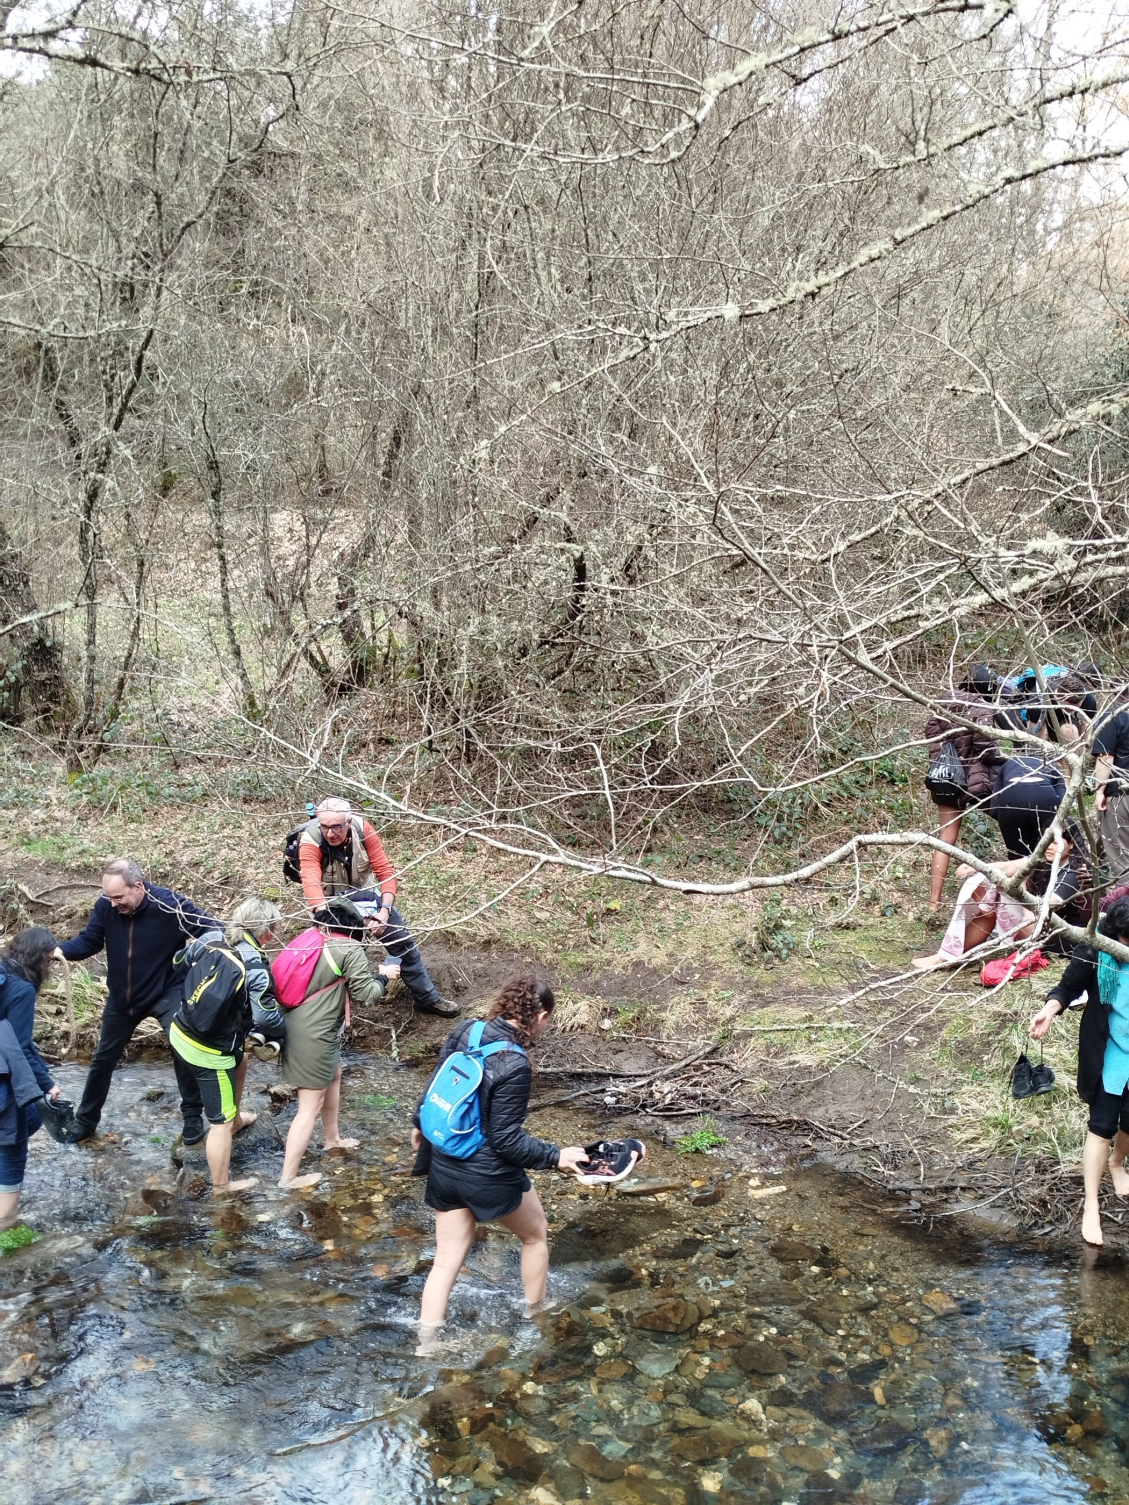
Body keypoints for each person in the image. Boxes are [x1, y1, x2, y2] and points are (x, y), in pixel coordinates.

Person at [410, 975, 588, 1354]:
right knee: (535, 1234)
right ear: (539, 1015)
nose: (546, 1028)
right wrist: (557, 1157)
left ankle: (426, 1342)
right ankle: (534, 1314)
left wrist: (418, 1126)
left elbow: (435, 1086)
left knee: (445, 1261)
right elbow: (506, 1141)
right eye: (548, 1021)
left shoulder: (466, 1030)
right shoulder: (514, 1063)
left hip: (444, 1163)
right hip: (485, 1172)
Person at [53, 857, 219, 1144]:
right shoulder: (106, 906)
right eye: (109, 897)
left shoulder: (170, 905)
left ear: (138, 886)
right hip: (122, 998)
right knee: (102, 1060)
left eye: (118, 897)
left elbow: (212, 930)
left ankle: (192, 1116)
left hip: (166, 992)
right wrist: (58, 950)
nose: (113, 903)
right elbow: (89, 941)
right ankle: (85, 1122)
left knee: (183, 1050)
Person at [295, 797, 458, 1017]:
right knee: (335, 957)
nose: (330, 833)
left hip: (366, 896)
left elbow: (385, 871)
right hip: (330, 905)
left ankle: (428, 999)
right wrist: (342, 920)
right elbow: (311, 884)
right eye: (325, 827)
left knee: (402, 941)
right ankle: (330, 1012)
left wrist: (384, 911)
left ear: (349, 822)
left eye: (336, 827)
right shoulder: (310, 841)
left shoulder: (363, 830)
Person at [1030, 895, 1129, 1246]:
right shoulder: (1097, 946)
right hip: (1111, 1052)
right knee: (1101, 1126)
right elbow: (1069, 985)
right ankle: (1091, 1205)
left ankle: (1118, 1163)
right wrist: (1049, 1009)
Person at [278, 897, 395, 1190]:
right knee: (309, 1105)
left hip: (302, 1024)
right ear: (352, 926)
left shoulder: (312, 938)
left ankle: (332, 1140)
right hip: (314, 1033)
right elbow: (366, 993)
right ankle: (288, 1178)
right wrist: (384, 977)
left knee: (335, 1074)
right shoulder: (349, 947)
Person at [167, 927, 260, 1196]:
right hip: (208, 1051)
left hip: (180, 1030)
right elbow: (265, 1017)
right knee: (218, 1124)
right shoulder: (252, 963)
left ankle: (236, 1119)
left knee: (240, 1060)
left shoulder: (213, 939)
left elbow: (178, 962)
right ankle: (222, 1186)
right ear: (266, 932)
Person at [913, 832, 1091, 970]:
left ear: (1072, 844)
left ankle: (947, 956)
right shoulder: (1044, 858)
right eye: (1047, 840)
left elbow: (1047, 906)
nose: (1049, 847)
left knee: (1001, 888)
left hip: (1059, 938)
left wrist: (1011, 891)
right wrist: (975, 866)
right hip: (1040, 927)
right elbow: (1008, 866)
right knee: (990, 887)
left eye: (1056, 842)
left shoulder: (1074, 872)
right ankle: (947, 956)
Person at [924, 665, 1005, 916]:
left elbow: (930, 736)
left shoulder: (941, 702)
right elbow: (985, 747)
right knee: (1009, 818)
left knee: (946, 839)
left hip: (946, 779)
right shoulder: (981, 707)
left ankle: (934, 903)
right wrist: (1005, 760)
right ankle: (1019, 882)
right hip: (976, 782)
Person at [0, 928, 64, 1229]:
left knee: (31, 1120)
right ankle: (7, 1225)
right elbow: (20, 1046)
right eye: (49, 961)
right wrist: (47, 1084)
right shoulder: (21, 990)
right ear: (39, 958)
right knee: (14, 1146)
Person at [988, 755, 1070, 860]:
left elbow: (993, 810)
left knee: (1017, 856)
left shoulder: (1008, 764)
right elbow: (1063, 805)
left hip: (1012, 798)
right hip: (1043, 797)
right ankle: (1045, 872)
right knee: (1044, 850)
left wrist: (1007, 822)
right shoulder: (1053, 766)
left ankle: (1021, 871)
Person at [1094, 691, 1129, 884]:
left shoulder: (1114, 716)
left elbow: (1106, 758)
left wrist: (1100, 790)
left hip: (1122, 795)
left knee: (1122, 860)